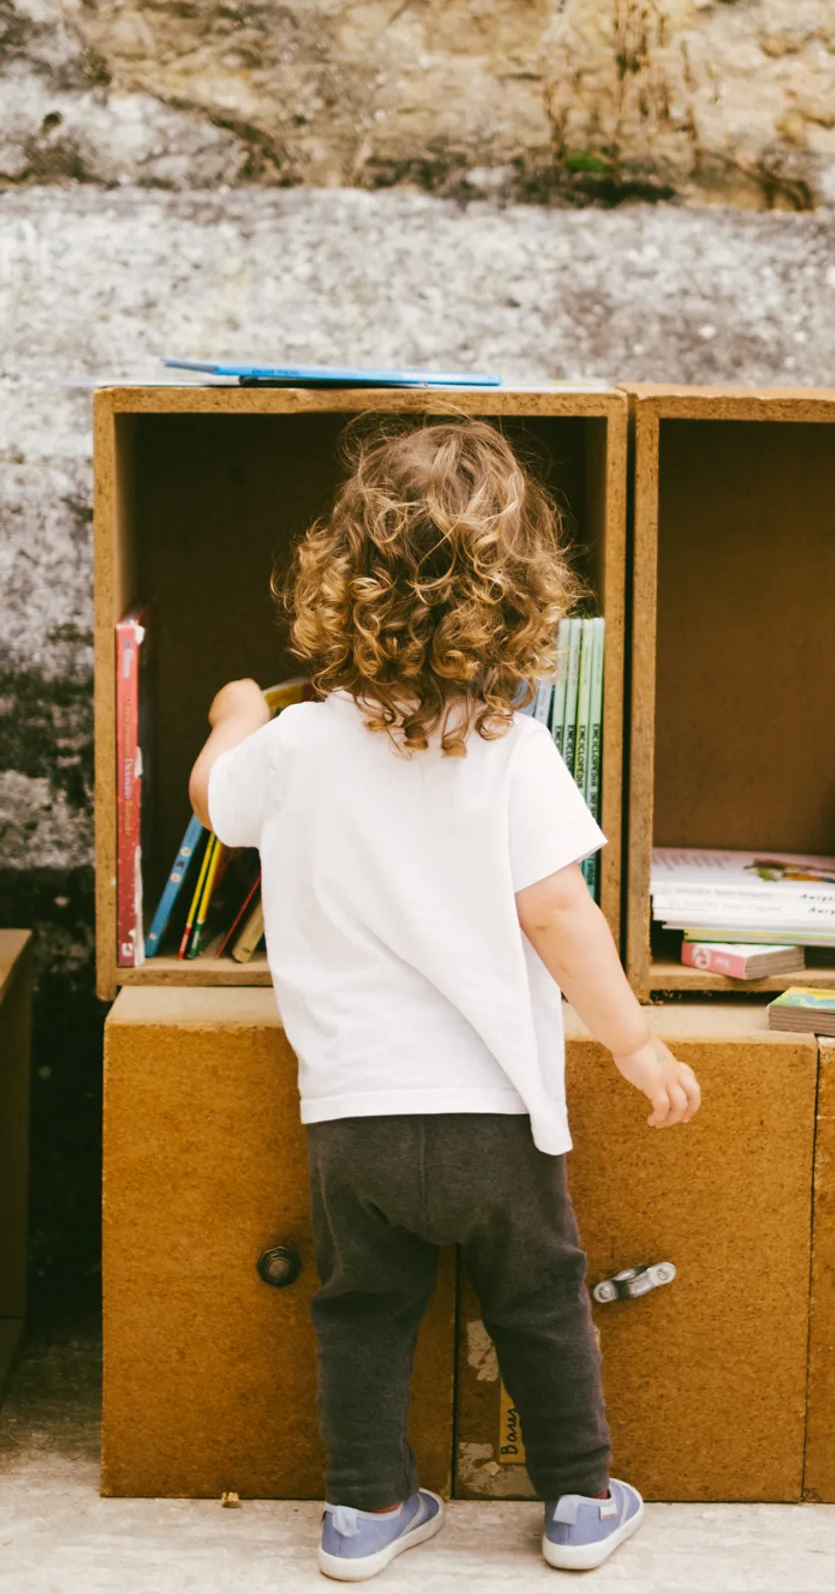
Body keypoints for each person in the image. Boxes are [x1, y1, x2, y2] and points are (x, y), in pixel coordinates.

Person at [188, 417, 701, 1580]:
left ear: (338, 581)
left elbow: (214, 799)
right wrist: (633, 1043)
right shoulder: (514, 752)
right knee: (539, 1300)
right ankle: (578, 1499)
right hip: (494, 1120)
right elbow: (560, 913)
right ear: (521, 599)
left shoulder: (302, 744)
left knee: (362, 1311)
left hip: (353, 1120)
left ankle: (366, 1513)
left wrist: (232, 717)